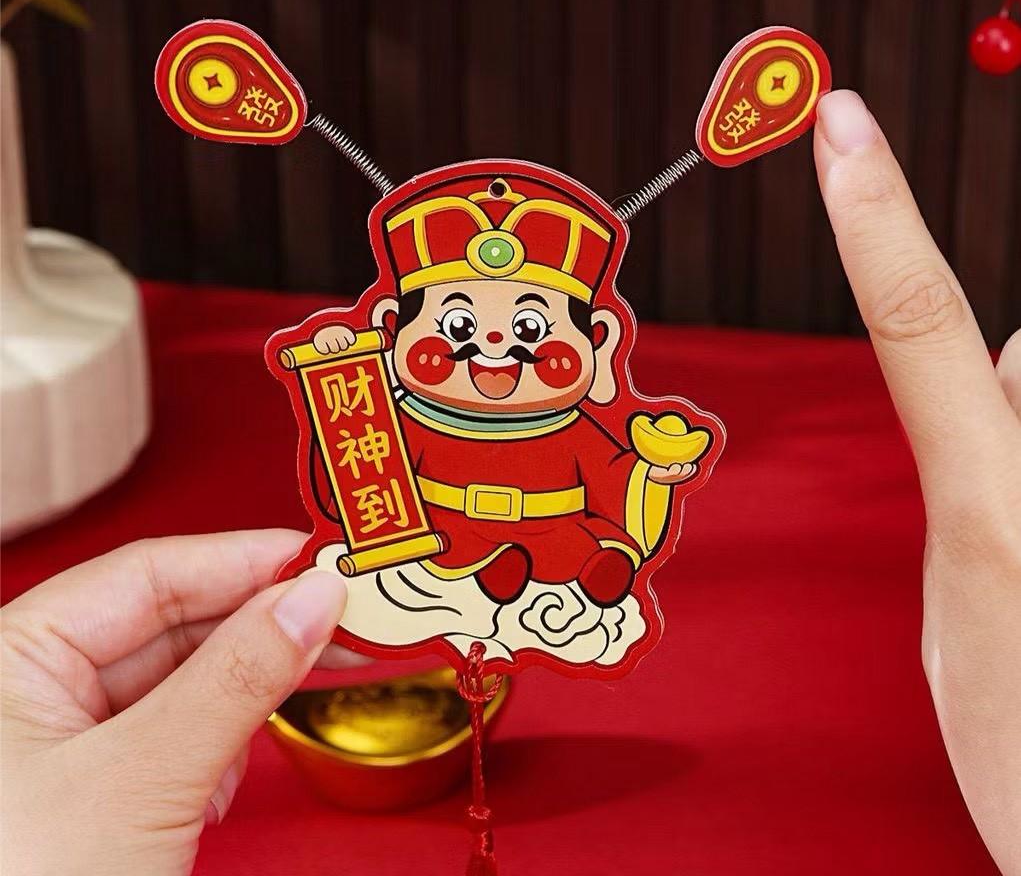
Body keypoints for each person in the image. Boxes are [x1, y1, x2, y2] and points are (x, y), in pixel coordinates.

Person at [1, 90, 1019, 876]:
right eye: (458, 326)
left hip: (554, 550)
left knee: (583, 558)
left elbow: (623, 494)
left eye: (531, 329)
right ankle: (495, 580)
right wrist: (346, 393)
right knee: (436, 569)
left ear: (599, 342)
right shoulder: (393, 409)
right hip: (443, 551)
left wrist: (653, 473)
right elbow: (355, 486)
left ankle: (537, 580)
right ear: (392, 331)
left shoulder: (584, 427)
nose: (495, 350)